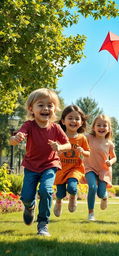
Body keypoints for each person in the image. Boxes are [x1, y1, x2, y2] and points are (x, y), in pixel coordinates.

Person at [9, 88, 71, 236]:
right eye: (41, 105)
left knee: (46, 190)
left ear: (54, 109)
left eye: (50, 105)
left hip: (50, 165)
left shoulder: (55, 128)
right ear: (31, 108)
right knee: (26, 196)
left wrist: (60, 147)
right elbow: (15, 138)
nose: (45, 108)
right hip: (31, 166)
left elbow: (68, 144)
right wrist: (15, 139)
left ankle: (43, 223)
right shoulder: (28, 125)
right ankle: (29, 206)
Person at [53, 105, 90, 217]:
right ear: (63, 121)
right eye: (70, 118)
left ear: (82, 122)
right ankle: (58, 202)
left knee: (72, 187)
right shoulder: (59, 136)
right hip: (60, 169)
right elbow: (51, 150)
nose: (74, 121)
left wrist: (83, 151)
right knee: (60, 193)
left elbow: (88, 153)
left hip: (75, 168)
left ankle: (73, 197)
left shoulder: (82, 138)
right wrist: (57, 151)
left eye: (77, 118)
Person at [84, 114, 117, 221]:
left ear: (108, 129)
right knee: (92, 187)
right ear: (94, 127)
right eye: (99, 125)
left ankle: (104, 197)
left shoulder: (109, 144)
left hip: (104, 170)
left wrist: (110, 161)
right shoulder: (88, 138)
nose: (101, 127)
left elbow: (114, 157)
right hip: (90, 168)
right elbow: (78, 140)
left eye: (104, 125)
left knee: (100, 193)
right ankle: (91, 213)